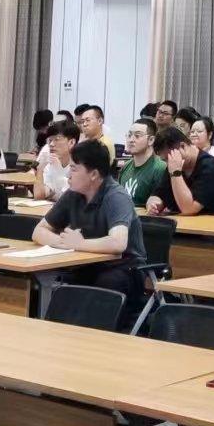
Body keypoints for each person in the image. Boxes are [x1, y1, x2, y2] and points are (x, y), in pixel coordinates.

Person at [33, 139, 145, 301]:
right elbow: (39, 231)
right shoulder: (73, 193)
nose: (69, 175)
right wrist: (63, 242)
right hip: (86, 264)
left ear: (93, 174)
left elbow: (118, 243)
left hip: (123, 268)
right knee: (47, 282)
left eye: (74, 169)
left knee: (103, 283)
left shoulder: (116, 197)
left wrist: (79, 244)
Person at [147, 127, 214, 216]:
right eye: (165, 160)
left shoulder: (210, 167)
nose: (169, 163)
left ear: (183, 146)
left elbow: (189, 209)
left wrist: (176, 173)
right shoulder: (173, 164)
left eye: (169, 158)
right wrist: (153, 204)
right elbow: (158, 194)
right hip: (182, 221)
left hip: (212, 222)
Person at [115, 118, 169, 207]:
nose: (131, 140)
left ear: (151, 140)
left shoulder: (160, 168)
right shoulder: (126, 166)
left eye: (137, 136)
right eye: (129, 135)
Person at [35, 118, 79, 200]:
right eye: (50, 140)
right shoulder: (50, 164)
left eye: (57, 139)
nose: (51, 144)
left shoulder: (80, 165)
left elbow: (71, 198)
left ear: (71, 142)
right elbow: (39, 196)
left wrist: (59, 172)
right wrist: (40, 169)